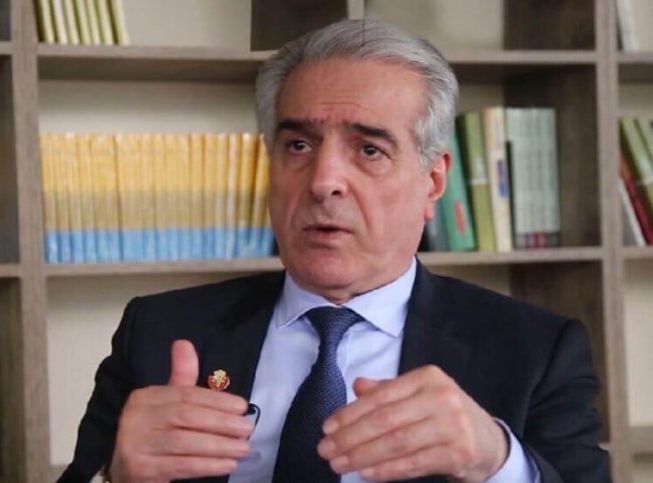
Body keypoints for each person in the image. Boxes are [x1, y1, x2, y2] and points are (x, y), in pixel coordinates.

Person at [57, 18, 610, 483]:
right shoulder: (159, 331)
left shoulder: (534, 351)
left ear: (433, 182)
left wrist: (498, 461)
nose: (323, 182)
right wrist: (116, 477)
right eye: (298, 145)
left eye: (369, 149)